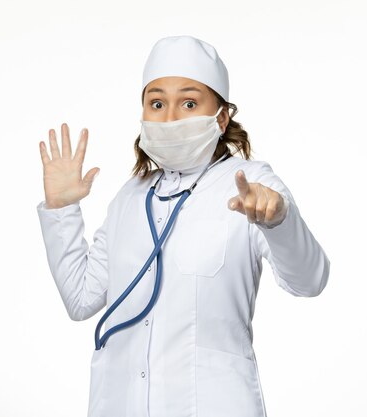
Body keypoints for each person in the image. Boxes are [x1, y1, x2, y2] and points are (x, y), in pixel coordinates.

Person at [36, 35, 330, 417]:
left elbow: (310, 281)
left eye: (189, 103)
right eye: (157, 103)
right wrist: (62, 208)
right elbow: (80, 300)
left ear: (221, 117)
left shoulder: (250, 183)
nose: (171, 117)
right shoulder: (130, 197)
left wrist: (279, 222)